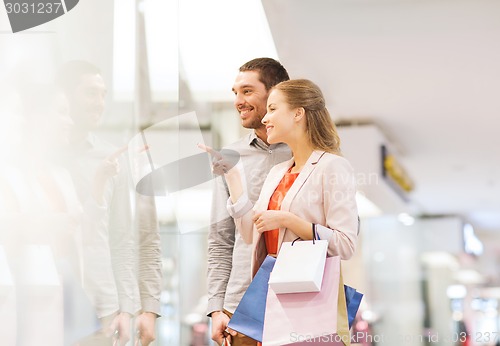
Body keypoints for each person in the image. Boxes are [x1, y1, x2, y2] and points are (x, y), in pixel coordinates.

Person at [204, 79, 359, 342]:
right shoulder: (278, 172)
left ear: (298, 113)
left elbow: (345, 244)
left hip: (308, 302)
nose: (266, 118)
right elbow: (252, 234)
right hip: (269, 300)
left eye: (273, 109)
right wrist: (234, 180)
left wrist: (290, 221)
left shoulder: (333, 167)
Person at [57, 60, 161, 346]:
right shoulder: (39, 159)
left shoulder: (111, 158)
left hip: (100, 309)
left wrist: (127, 307)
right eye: (90, 93)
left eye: (103, 94)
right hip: (49, 300)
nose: (99, 103)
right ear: (65, 94)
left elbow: (122, 239)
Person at [206, 58, 292, 346]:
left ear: (276, 94)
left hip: (299, 302)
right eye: (235, 93)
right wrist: (217, 306)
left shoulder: (310, 153)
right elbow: (221, 238)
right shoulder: (229, 157)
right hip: (240, 307)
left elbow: (345, 229)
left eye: (247, 91)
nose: (238, 101)